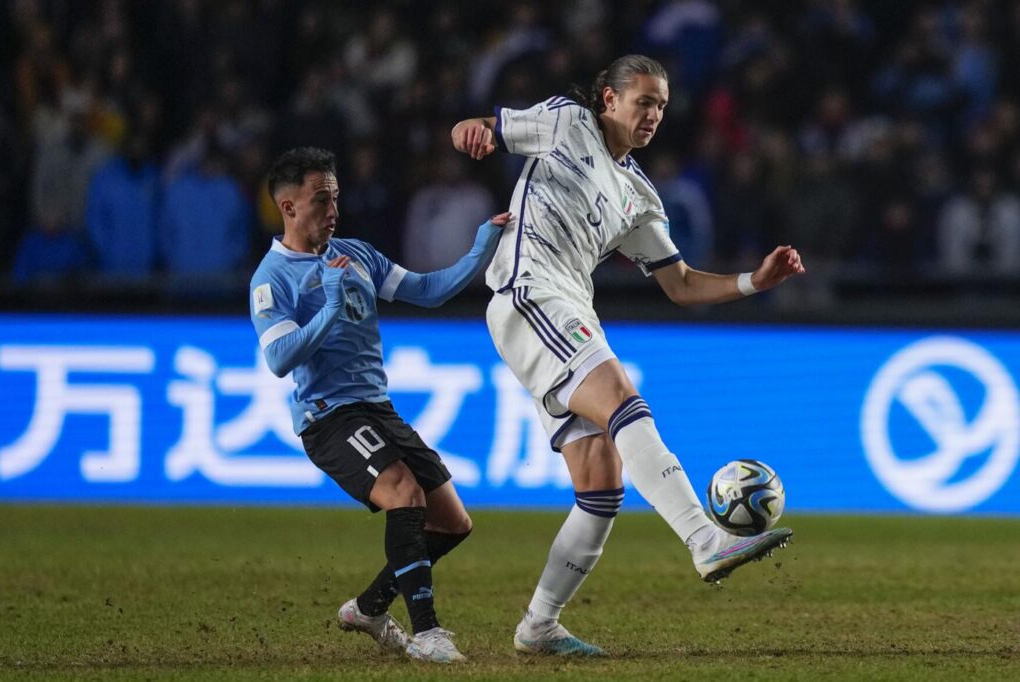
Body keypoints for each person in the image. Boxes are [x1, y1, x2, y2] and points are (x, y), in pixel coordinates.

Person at [451, 54, 806, 657]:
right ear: (608, 101)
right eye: (643, 101)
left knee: (600, 485)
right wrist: (473, 129)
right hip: (528, 291)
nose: (654, 115)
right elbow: (484, 126)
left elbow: (682, 284)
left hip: (571, 308)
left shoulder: (638, 193)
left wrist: (753, 283)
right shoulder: (567, 122)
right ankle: (703, 539)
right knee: (622, 399)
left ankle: (538, 626)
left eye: (662, 106)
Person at [249, 147, 508, 663]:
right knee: (403, 493)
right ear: (288, 207)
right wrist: (327, 304)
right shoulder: (271, 278)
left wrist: (483, 245)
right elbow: (279, 358)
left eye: (336, 197)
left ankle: (368, 608)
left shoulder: (357, 255)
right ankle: (429, 634)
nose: (333, 210)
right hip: (329, 417)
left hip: (378, 408)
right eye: (321, 199)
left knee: (453, 523)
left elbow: (429, 291)